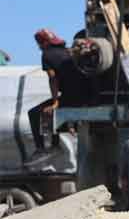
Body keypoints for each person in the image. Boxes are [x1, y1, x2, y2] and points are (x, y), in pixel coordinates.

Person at [27, 29, 92, 165]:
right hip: (85, 96)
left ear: (43, 43)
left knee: (35, 113)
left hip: (72, 97)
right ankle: (54, 145)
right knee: (49, 111)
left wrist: (55, 102)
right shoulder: (67, 51)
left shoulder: (47, 54)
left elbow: (53, 78)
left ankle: (42, 149)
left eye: (39, 44)